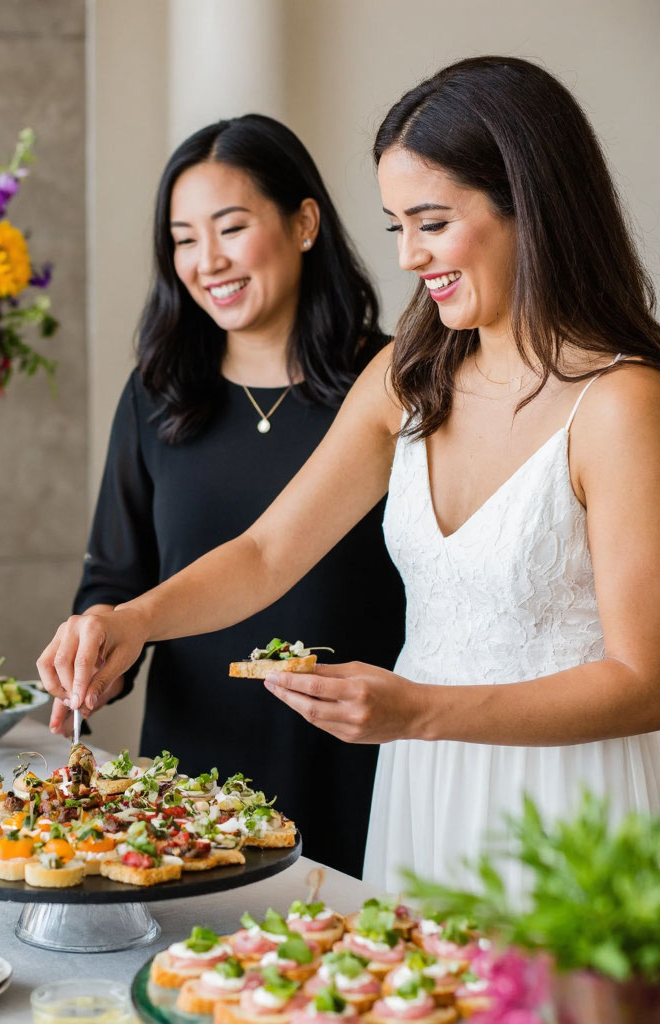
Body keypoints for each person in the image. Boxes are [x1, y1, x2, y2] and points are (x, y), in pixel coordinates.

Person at [39, 57, 660, 892]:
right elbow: (265, 553)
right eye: (395, 225)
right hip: (424, 786)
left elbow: (643, 679)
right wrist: (135, 620)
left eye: (431, 222)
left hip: (570, 802)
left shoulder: (622, 403)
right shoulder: (408, 374)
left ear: (529, 204)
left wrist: (420, 711)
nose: (407, 256)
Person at [50, 114, 406, 877]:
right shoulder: (158, 394)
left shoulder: (391, 387)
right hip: (194, 767)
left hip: (356, 751)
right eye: (182, 238)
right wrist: (99, 649)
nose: (206, 260)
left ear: (304, 222)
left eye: (230, 227)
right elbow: (118, 575)